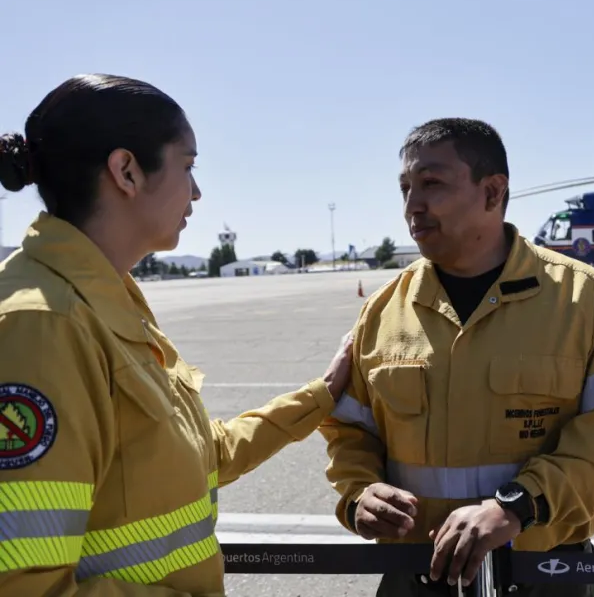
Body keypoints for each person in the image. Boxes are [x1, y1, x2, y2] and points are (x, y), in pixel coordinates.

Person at [0, 74, 354, 596]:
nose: (196, 190)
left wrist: (319, 396)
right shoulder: (42, 326)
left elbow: (197, 453)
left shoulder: (106, 298)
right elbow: (25, 588)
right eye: (187, 166)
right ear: (126, 172)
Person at [319, 118, 594, 596]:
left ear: (493, 192)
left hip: (544, 575)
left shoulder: (581, 299)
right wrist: (359, 493)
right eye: (405, 188)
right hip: (417, 576)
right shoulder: (383, 310)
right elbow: (350, 430)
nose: (413, 206)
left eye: (431, 184)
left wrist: (517, 506)